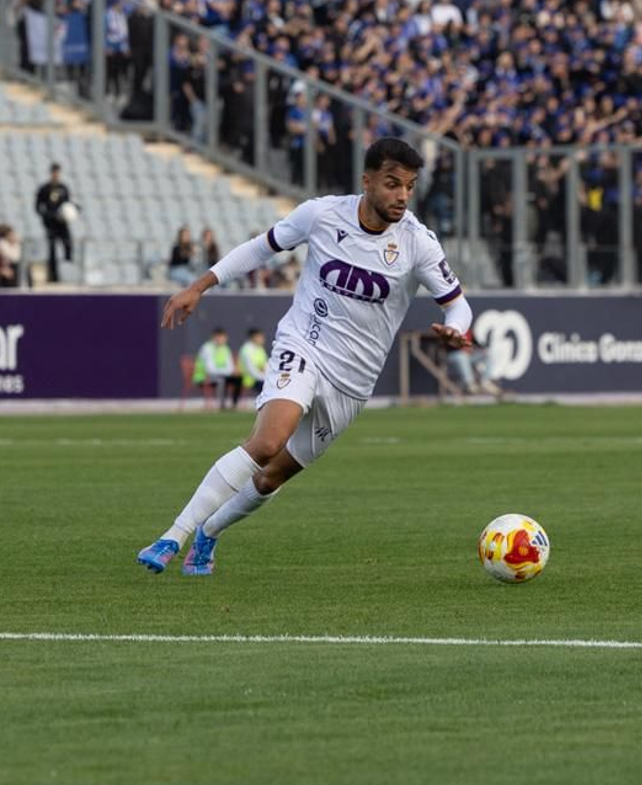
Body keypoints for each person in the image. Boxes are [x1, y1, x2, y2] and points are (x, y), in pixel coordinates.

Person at [137, 138, 473, 576]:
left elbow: (457, 303)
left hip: (353, 382)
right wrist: (199, 286)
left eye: (409, 186)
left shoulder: (417, 243)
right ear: (367, 180)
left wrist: (457, 328)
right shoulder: (322, 214)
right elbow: (260, 247)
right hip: (304, 344)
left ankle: (209, 532)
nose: (402, 196)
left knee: (269, 477)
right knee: (266, 443)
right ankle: (172, 536)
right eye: (393, 184)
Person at [34, 162, 73, 283]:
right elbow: (38, 206)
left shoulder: (64, 188)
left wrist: (68, 214)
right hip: (50, 224)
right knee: (52, 248)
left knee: (68, 243)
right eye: (54, 172)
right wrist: (46, 216)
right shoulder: (44, 189)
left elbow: (68, 204)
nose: (55, 174)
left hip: (62, 223)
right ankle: (53, 275)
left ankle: (68, 270)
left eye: (57, 172)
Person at [195, 327, 236, 410]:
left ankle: (234, 404)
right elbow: (210, 369)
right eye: (220, 337)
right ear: (214, 337)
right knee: (222, 380)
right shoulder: (207, 348)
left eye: (224, 337)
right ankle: (221, 405)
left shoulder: (225, 348)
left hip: (220, 375)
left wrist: (228, 372)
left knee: (237, 379)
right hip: (204, 377)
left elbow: (230, 367)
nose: (223, 339)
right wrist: (227, 372)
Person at [231, 327, 268, 410]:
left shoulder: (260, 349)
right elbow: (250, 370)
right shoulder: (246, 350)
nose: (263, 339)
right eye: (260, 337)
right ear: (254, 337)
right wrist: (265, 377)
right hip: (248, 378)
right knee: (267, 386)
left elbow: (266, 365)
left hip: (259, 377)